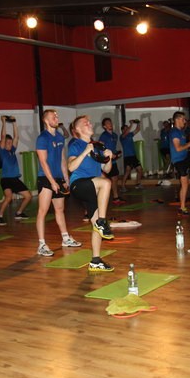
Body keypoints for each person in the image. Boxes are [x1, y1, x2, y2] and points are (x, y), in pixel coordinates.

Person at [68, 115, 115, 272]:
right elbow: (71, 167)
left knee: (97, 228)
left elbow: (106, 169)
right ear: (78, 129)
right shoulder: (76, 144)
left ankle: (95, 261)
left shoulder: (97, 146)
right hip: (79, 184)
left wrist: (108, 158)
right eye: (85, 123)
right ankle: (102, 221)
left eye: (89, 122)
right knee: (106, 183)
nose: (89, 124)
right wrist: (85, 152)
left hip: (93, 189)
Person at [35, 109, 81, 256]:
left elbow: (62, 159)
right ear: (45, 120)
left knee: (60, 209)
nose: (56, 118)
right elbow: (43, 162)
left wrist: (66, 178)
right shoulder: (42, 138)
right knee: (42, 211)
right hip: (45, 178)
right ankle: (42, 244)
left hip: (58, 178)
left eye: (56, 116)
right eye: (53, 117)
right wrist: (51, 181)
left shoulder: (60, 137)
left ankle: (65, 238)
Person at [0, 115, 32, 225]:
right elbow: (3, 136)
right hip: (6, 179)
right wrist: (4, 122)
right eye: (8, 143)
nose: (10, 144)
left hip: (15, 179)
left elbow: (17, 137)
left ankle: (19, 213)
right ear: (3, 143)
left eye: (11, 143)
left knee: (28, 196)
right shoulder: (2, 151)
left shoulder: (12, 150)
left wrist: (14, 122)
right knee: (8, 197)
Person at [98, 117, 125, 205]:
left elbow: (112, 148)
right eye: (108, 123)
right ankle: (103, 198)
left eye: (110, 122)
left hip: (112, 161)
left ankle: (115, 197)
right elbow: (100, 147)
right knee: (107, 179)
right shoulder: (104, 136)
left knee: (115, 178)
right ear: (104, 126)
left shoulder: (115, 135)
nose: (110, 124)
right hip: (105, 161)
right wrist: (106, 156)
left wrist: (116, 153)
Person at [120, 120, 143, 191]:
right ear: (122, 130)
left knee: (140, 169)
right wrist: (131, 124)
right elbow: (127, 132)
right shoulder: (122, 137)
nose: (127, 129)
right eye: (126, 128)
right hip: (127, 157)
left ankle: (138, 184)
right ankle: (122, 186)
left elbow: (137, 129)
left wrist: (138, 123)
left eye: (127, 128)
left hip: (133, 156)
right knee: (127, 172)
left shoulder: (130, 134)